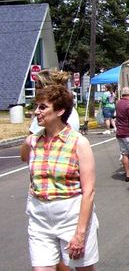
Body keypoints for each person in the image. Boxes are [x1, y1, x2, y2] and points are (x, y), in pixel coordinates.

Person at [20, 85, 99, 270]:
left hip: (71, 214)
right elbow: (24, 156)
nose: (36, 112)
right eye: (36, 106)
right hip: (39, 215)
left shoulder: (78, 142)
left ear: (60, 111)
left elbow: (88, 191)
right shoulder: (33, 141)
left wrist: (80, 233)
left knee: (82, 268)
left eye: (42, 107)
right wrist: (32, 134)